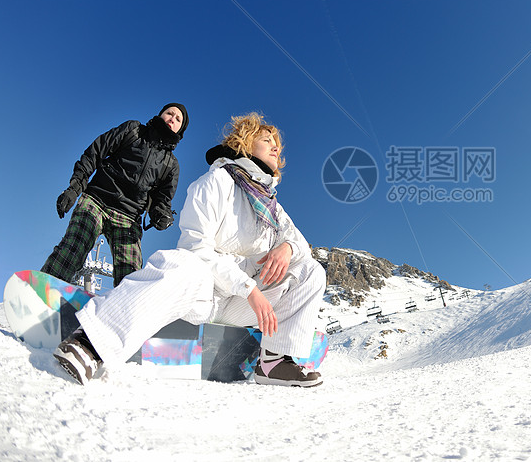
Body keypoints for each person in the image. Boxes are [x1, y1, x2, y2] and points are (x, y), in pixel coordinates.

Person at [53, 112, 326, 387]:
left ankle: (274, 363)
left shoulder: (273, 209)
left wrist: (288, 248)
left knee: (310, 270)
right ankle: (91, 344)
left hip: (241, 305)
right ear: (244, 144)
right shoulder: (217, 182)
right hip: (204, 294)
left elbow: (301, 245)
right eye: (267, 139)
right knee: (184, 264)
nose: (276, 147)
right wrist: (247, 287)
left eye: (276, 143)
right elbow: (196, 246)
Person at [41, 103, 188, 287]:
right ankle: (43, 291)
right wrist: (74, 188)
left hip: (128, 217)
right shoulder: (133, 130)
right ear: (161, 114)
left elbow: (162, 200)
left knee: (131, 274)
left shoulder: (171, 165)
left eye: (178, 119)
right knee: (73, 248)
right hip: (97, 201)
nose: (172, 119)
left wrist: (161, 215)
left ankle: (123, 312)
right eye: (169, 113)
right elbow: (95, 152)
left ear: (180, 130)